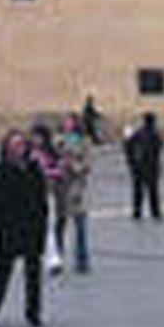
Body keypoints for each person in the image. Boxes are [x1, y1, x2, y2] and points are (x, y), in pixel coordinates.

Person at [0, 129, 49, 327]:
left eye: (21, 144)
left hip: (32, 228)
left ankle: (33, 312)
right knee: (3, 270)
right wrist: (2, 223)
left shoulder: (33, 169)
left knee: (33, 273)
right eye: (14, 145)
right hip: (9, 229)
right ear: (6, 148)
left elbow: (41, 198)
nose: (18, 149)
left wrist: (42, 221)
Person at [29, 122, 67, 272]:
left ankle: (54, 260)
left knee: (49, 227)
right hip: (30, 197)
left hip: (47, 194)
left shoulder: (52, 153)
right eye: (34, 137)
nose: (35, 140)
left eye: (38, 137)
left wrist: (46, 173)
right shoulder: (28, 153)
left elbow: (60, 171)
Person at [60, 115, 93, 273]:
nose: (66, 124)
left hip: (77, 187)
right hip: (60, 188)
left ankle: (82, 260)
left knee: (80, 225)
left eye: (69, 121)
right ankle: (56, 259)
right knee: (58, 226)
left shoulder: (84, 142)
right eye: (65, 122)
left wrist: (72, 165)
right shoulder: (59, 141)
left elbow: (87, 164)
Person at [124, 111, 164, 220]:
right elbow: (159, 148)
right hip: (151, 166)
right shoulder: (155, 134)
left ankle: (137, 212)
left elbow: (127, 145)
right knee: (153, 191)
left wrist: (131, 161)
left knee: (138, 191)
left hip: (138, 166)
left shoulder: (137, 133)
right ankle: (155, 212)